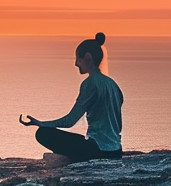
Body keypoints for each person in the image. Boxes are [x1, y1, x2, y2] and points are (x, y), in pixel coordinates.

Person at [20, 32, 123, 164]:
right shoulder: (113, 85)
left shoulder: (90, 83)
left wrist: (41, 123)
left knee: (43, 133)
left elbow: (70, 120)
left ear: (87, 57)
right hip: (116, 150)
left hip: (97, 150)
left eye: (78, 58)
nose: (75, 63)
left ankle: (74, 159)